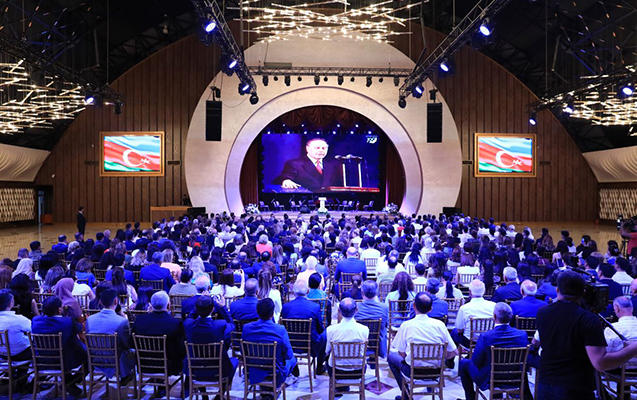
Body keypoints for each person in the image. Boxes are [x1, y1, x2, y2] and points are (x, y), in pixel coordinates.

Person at [534, 270, 637, 400]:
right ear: (584, 292)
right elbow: (601, 363)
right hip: (575, 389)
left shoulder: (542, 313)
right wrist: (633, 348)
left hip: (545, 385)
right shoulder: (587, 319)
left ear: (557, 290)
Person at [458, 302, 531, 400]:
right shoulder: (522, 334)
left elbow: (476, 361)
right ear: (511, 317)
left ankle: (471, 398)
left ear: (494, 316)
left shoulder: (486, 336)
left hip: (490, 379)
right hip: (515, 377)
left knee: (464, 363)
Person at [388, 292, 457, 390]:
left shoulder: (406, 325)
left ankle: (405, 393)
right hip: (436, 371)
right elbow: (454, 351)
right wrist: (442, 360)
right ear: (430, 309)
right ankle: (430, 386)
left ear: (414, 306)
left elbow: (401, 353)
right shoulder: (440, 325)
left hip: (413, 371)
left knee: (391, 357)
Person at [32, 296, 87, 398]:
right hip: (65, 360)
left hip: (41, 360)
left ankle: (68, 382)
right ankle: (70, 382)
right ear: (59, 309)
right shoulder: (68, 322)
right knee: (90, 356)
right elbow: (80, 328)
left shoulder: (35, 321)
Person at [183, 295, 238, 392]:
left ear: (196, 309)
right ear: (213, 309)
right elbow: (232, 325)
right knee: (235, 361)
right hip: (218, 370)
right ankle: (220, 394)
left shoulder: (188, 324)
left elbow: (190, 317)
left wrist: (199, 305)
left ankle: (203, 394)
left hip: (194, 370)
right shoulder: (220, 325)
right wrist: (223, 308)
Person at [242, 298, 297, 389]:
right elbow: (289, 354)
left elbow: (243, 351)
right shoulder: (280, 329)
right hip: (275, 372)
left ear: (257, 312)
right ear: (272, 313)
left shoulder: (246, 328)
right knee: (293, 360)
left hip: (253, 370)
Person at [85, 289, 135, 382]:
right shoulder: (122, 321)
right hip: (115, 360)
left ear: (100, 302)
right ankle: (125, 376)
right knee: (133, 351)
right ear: (116, 301)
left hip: (94, 359)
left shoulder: (89, 320)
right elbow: (126, 344)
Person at [132, 291, 186, 377]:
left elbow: (131, 344)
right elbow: (181, 350)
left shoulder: (139, 320)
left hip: (144, 365)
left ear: (151, 305)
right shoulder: (175, 323)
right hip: (169, 367)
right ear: (168, 305)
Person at [281, 280, 327, 374]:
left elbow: (283, 328)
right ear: (307, 291)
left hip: (290, 344)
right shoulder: (315, 307)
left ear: (293, 292)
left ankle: (293, 365)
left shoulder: (286, 307)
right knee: (326, 334)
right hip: (310, 344)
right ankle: (319, 367)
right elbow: (320, 328)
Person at [324, 298, 369, 394]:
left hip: (336, 371)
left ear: (339, 311)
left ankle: (339, 387)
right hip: (358, 370)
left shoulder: (331, 329)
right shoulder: (364, 329)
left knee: (327, 358)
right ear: (356, 310)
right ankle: (343, 387)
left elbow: (327, 350)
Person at [273, 137, 341, 192]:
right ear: (307, 149)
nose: (321, 150)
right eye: (317, 148)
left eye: (323, 148)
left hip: (329, 200)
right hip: (305, 200)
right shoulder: (295, 164)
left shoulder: (333, 164)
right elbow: (282, 178)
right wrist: (286, 180)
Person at [452, 280, 496, 347]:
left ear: (470, 292)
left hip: (469, 342)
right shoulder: (494, 306)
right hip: (488, 340)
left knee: (454, 332)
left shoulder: (464, 308)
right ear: (484, 291)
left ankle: (455, 352)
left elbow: (459, 329)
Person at [355, 280, 389, 358]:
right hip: (378, 343)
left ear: (362, 292)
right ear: (377, 293)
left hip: (360, 340)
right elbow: (386, 324)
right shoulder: (384, 307)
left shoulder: (356, 306)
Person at [0, 289, 32, 361]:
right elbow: (34, 329)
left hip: (1, 354)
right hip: (19, 354)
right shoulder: (18, 319)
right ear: (10, 304)